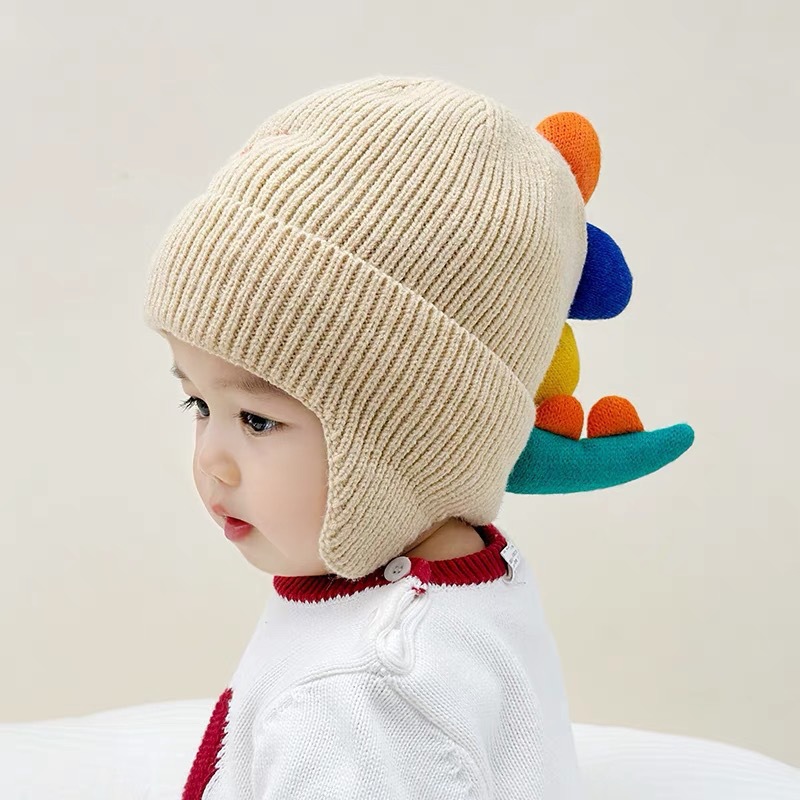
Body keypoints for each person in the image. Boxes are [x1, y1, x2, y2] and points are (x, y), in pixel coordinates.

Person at [142, 73, 691, 798]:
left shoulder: (360, 700)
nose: (212, 460)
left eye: (257, 419)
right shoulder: (464, 583)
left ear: (417, 433)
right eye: (197, 404)